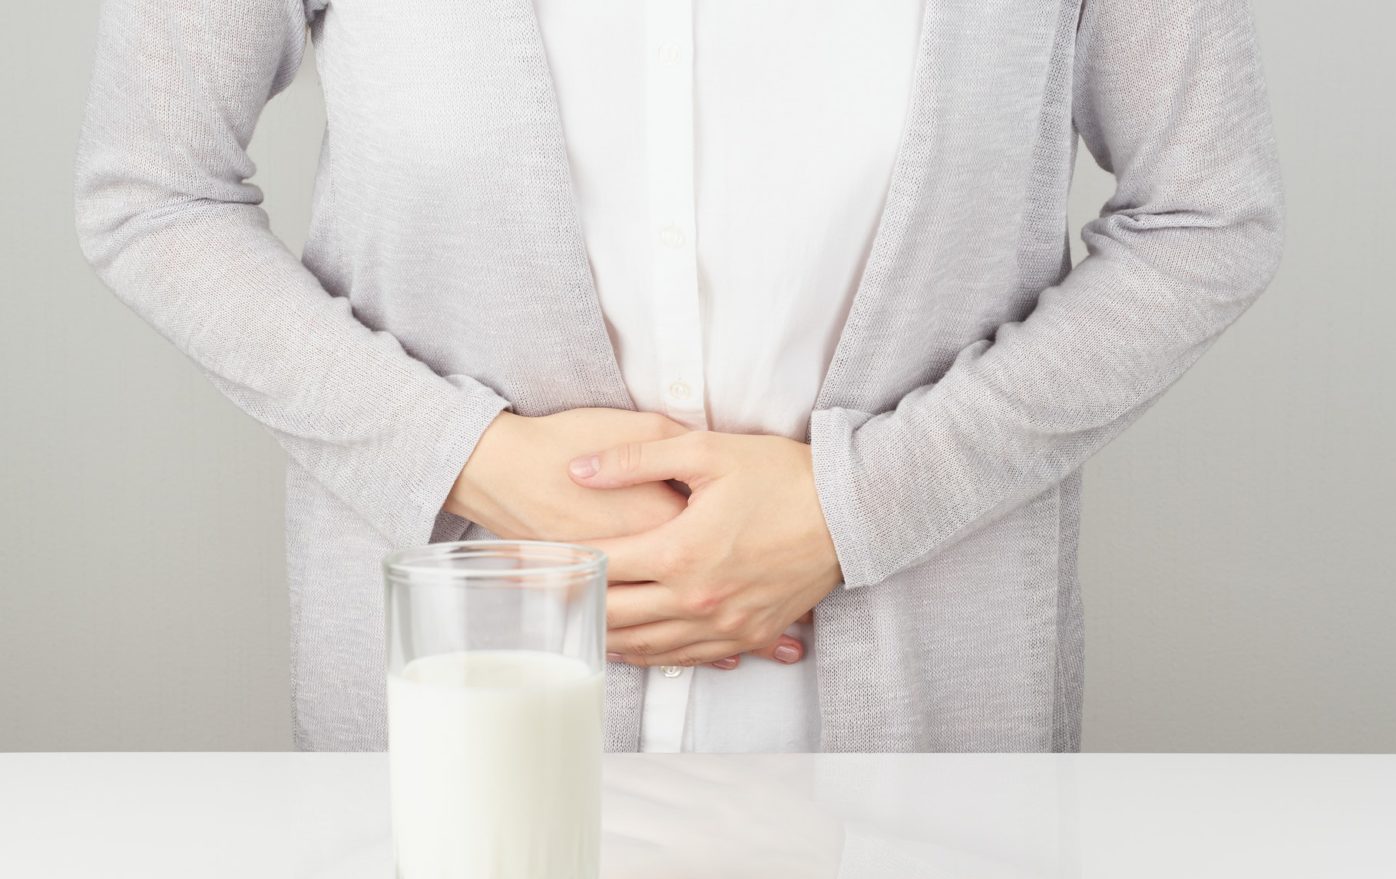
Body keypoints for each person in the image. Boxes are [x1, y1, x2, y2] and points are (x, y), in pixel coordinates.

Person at [73, 0, 1284, 753]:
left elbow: (1206, 215)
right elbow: (152, 189)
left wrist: (851, 508)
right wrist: (475, 463)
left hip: (930, 767)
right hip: (468, 766)